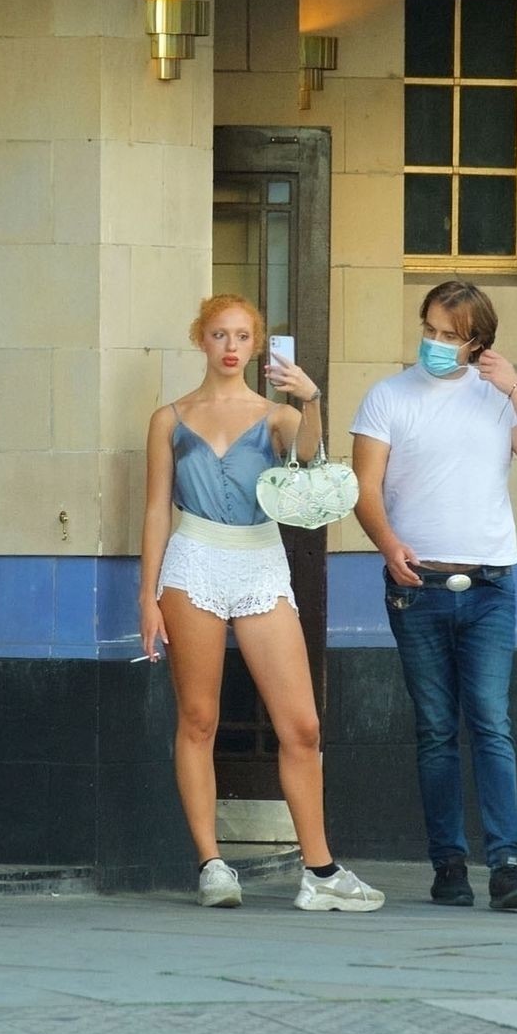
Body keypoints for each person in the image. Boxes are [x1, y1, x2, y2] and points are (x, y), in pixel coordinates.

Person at [139, 293, 384, 914]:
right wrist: (148, 596)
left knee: (301, 725)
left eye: (243, 336)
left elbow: (309, 460)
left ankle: (320, 870)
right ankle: (212, 865)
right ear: (200, 339)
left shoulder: (276, 415)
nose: (231, 347)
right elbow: (155, 509)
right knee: (199, 719)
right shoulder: (169, 418)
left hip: (259, 561)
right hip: (193, 559)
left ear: (257, 346)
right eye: (219, 334)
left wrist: (312, 399)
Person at [350, 280, 517, 912]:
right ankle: (448, 864)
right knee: (436, 728)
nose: (436, 343)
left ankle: (507, 865)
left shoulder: (498, 397)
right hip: (417, 587)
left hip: (490, 584)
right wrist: (388, 544)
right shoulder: (388, 396)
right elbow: (365, 487)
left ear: (478, 343)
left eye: (451, 336)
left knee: (491, 722)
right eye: (430, 330)